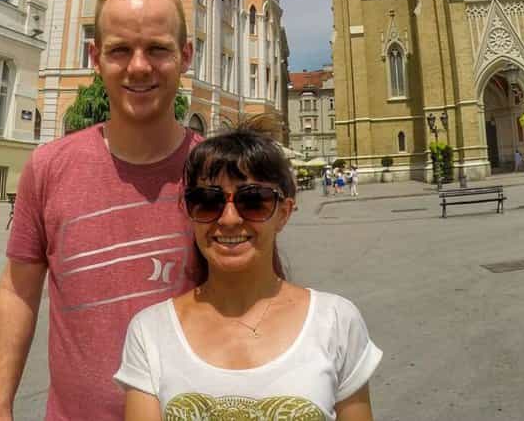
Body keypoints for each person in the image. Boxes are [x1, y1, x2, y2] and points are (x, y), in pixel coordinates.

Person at [0, 0, 199, 421]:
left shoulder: (217, 173)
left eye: (158, 49)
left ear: (185, 56)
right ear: (95, 58)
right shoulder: (49, 167)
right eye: (120, 50)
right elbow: (18, 289)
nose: (138, 67)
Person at [116, 124, 383, 419]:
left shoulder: (336, 322)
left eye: (253, 201)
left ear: (283, 213)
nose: (229, 219)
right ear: (188, 211)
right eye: (207, 201)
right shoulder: (150, 332)